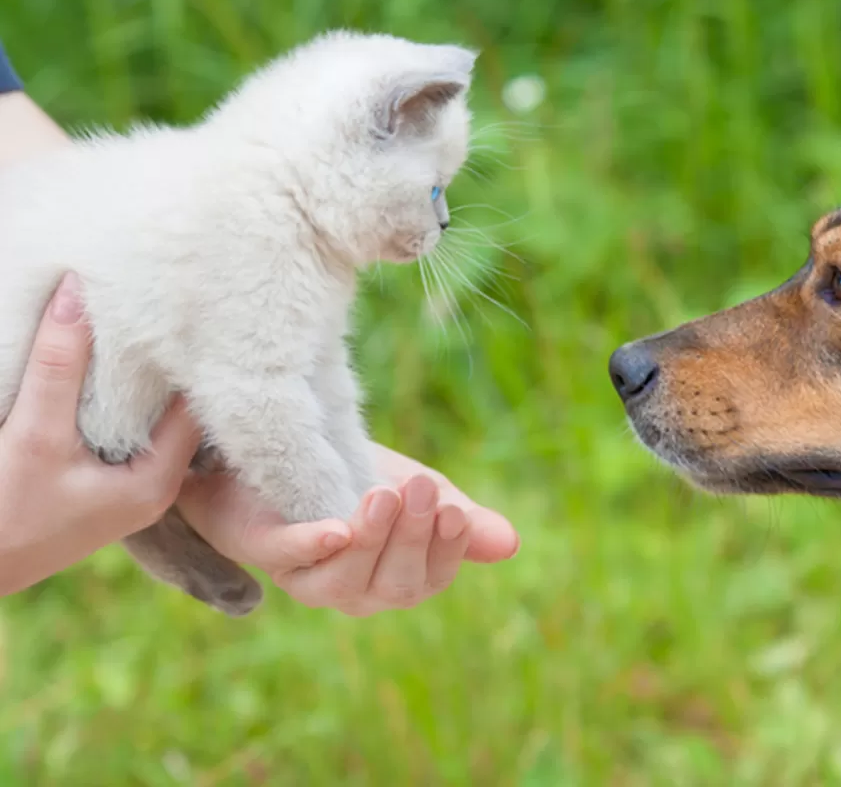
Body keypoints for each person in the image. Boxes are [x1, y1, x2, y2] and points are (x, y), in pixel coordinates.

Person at [0, 42, 518, 614]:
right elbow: (255, 397)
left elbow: (319, 383)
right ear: (360, 143)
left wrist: (368, 492)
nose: (441, 220)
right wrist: (344, 523)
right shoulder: (245, 222)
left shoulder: (267, 209)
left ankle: (153, 508)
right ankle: (151, 511)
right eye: (432, 192)